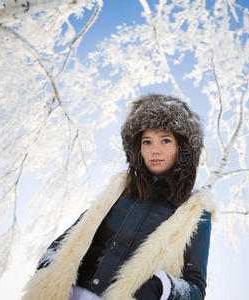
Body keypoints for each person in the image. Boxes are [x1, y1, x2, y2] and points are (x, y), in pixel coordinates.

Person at [23, 94, 215, 300]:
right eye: (147, 142)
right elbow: (67, 240)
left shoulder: (195, 213)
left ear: (182, 147)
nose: (154, 150)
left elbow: (195, 289)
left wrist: (161, 287)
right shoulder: (117, 191)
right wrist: (49, 267)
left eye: (165, 140)